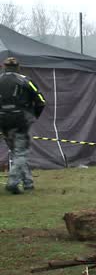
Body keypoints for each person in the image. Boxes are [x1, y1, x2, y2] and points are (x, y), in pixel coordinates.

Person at [0, 57, 46, 194]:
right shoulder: (25, 80)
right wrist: (33, 116)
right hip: (21, 121)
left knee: (16, 152)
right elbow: (41, 101)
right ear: (18, 67)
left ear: (4, 66)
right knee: (21, 152)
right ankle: (13, 182)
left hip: (3, 121)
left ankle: (28, 183)